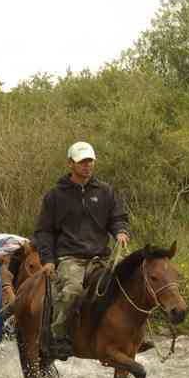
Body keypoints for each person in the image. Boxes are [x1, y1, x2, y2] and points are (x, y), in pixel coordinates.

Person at [33, 141, 130, 361]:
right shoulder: (55, 196)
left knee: (127, 285)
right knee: (71, 291)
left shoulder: (105, 191)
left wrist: (121, 231)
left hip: (101, 257)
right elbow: (44, 231)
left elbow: (117, 218)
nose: (87, 166)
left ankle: (130, 336)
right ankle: (59, 338)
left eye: (90, 161)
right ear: (70, 164)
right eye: (81, 162)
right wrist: (47, 260)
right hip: (70, 258)